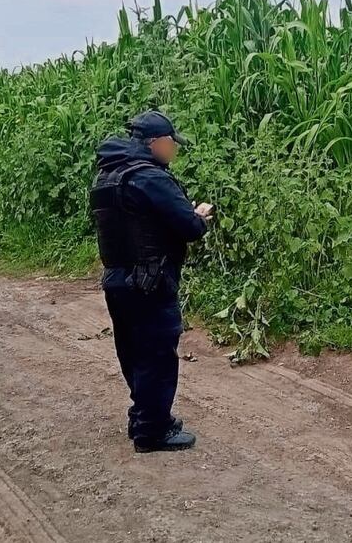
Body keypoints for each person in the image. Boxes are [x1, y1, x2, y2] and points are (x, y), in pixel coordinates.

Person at [89, 110, 213, 453]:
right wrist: (198, 216)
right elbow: (187, 228)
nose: (174, 151)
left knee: (132, 352)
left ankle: (143, 418)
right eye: (172, 144)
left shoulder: (107, 176)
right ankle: (152, 431)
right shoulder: (151, 178)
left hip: (116, 279)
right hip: (151, 280)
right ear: (157, 143)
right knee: (157, 354)